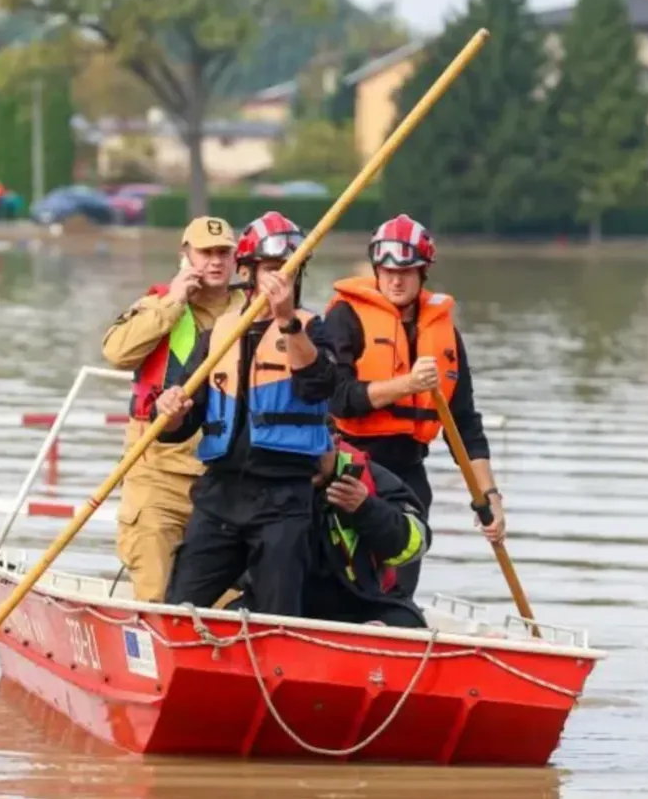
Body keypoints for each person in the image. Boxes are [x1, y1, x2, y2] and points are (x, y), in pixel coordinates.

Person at [155, 211, 338, 617]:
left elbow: (320, 386)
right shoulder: (216, 335)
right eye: (273, 270)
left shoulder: (313, 329)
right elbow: (182, 422)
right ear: (248, 272)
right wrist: (168, 411)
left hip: (284, 499)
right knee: (179, 609)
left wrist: (288, 321)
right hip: (221, 495)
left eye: (290, 271)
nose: (280, 281)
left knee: (278, 615)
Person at [325, 214, 506, 598]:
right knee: (347, 581)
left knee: (398, 586)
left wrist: (488, 497)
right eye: (387, 270)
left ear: (423, 273)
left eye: (406, 271)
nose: (395, 280)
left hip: (409, 476)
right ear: (376, 269)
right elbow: (338, 398)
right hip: (352, 469)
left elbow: (465, 426)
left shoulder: (444, 334)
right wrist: (406, 385)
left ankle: (398, 626)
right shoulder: (345, 318)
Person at [100, 215, 242, 601]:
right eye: (205, 252)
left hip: (223, 481)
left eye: (223, 252)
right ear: (185, 256)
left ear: (236, 258)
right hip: (157, 476)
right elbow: (116, 352)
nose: (215, 261)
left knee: (228, 602)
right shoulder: (158, 304)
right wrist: (173, 303)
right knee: (155, 594)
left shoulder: (254, 309)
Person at [302, 436, 431, 628]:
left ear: (336, 443)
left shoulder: (371, 477)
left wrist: (367, 509)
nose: (309, 459)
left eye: (318, 449)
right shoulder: (261, 476)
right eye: (300, 451)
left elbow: (417, 541)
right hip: (285, 598)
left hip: (362, 599)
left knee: (406, 623)